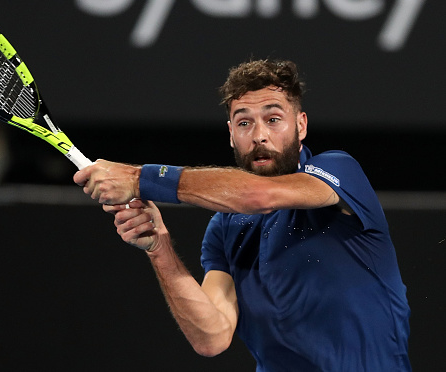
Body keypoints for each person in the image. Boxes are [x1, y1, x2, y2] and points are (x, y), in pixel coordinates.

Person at [73, 59, 412, 371]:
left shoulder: (339, 170)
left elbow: (258, 195)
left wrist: (139, 178)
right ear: (231, 134)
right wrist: (159, 247)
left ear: (301, 125)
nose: (259, 135)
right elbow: (212, 336)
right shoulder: (225, 228)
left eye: (273, 118)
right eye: (244, 122)